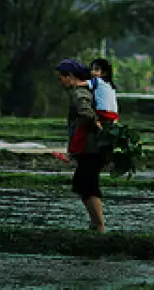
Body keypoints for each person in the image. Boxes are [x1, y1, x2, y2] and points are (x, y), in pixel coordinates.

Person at [54, 58, 106, 233]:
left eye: (61, 77)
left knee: (88, 184)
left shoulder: (79, 93)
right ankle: (95, 223)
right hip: (88, 147)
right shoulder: (81, 91)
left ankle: (99, 225)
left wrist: (98, 127)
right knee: (82, 184)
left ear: (70, 76)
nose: (60, 81)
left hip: (90, 147)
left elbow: (85, 111)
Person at [88, 57, 119, 128]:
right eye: (91, 69)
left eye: (96, 70)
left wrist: (74, 82)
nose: (92, 72)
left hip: (103, 114)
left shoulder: (98, 81)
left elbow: (82, 83)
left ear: (104, 73)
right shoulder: (110, 86)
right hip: (113, 115)